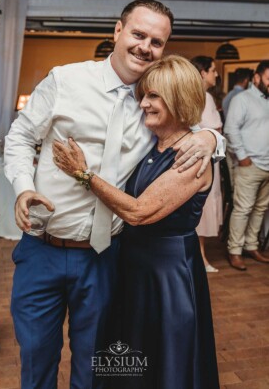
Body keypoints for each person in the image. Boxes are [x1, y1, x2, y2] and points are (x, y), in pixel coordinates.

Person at [4, 0, 225, 389]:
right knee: (36, 360)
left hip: (106, 257)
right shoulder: (66, 80)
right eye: (138, 34)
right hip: (43, 248)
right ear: (117, 31)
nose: (145, 47)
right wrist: (23, 188)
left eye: (157, 42)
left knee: (97, 369)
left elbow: (190, 129)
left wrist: (211, 139)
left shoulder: (153, 98)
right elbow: (20, 137)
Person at [52, 55, 220, 389]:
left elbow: (138, 211)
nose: (143, 103)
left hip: (167, 274)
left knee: (166, 361)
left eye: (153, 96)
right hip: (135, 267)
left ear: (178, 98)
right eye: (143, 95)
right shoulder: (152, 144)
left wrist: (83, 174)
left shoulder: (192, 154)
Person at [225, 60, 269, 271]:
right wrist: (243, 157)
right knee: (243, 209)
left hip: (268, 165)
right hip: (249, 164)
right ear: (257, 78)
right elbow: (231, 129)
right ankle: (235, 250)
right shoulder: (242, 99)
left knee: (260, 209)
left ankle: (252, 246)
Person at [191, 56, 223, 272]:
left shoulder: (190, 94)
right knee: (203, 205)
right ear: (203, 73)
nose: (217, 74)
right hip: (206, 158)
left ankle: (199, 255)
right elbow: (215, 130)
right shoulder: (205, 97)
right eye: (213, 70)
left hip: (195, 157)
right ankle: (200, 257)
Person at [222, 68, 253, 188]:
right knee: (240, 176)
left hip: (228, 140)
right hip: (237, 140)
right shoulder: (242, 97)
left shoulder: (228, 96)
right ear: (246, 81)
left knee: (232, 174)